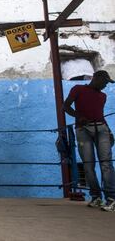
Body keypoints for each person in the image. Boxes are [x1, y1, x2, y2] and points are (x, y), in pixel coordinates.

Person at [63, 70, 115, 212]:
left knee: (106, 164)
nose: (105, 85)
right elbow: (65, 106)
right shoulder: (78, 89)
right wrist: (78, 116)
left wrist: (109, 131)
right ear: (96, 78)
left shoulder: (102, 96)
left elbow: (100, 116)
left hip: (102, 129)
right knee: (88, 165)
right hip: (82, 129)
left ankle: (112, 198)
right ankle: (96, 197)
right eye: (105, 82)